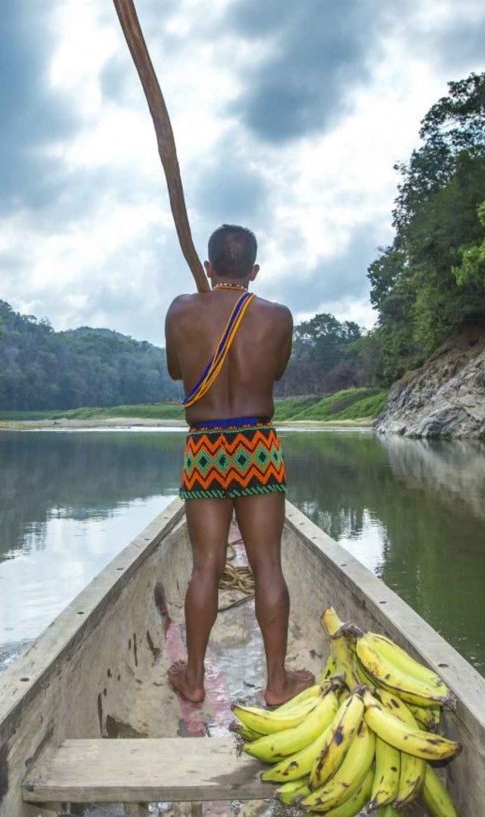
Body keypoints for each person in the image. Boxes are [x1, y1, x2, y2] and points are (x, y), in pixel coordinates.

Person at [163, 224, 315, 707]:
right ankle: (276, 684)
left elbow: (174, 369)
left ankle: (193, 680)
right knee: (267, 563)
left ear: (209, 268)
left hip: (205, 445)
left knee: (205, 565)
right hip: (256, 442)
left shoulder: (180, 311)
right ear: (253, 270)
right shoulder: (277, 316)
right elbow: (275, 370)